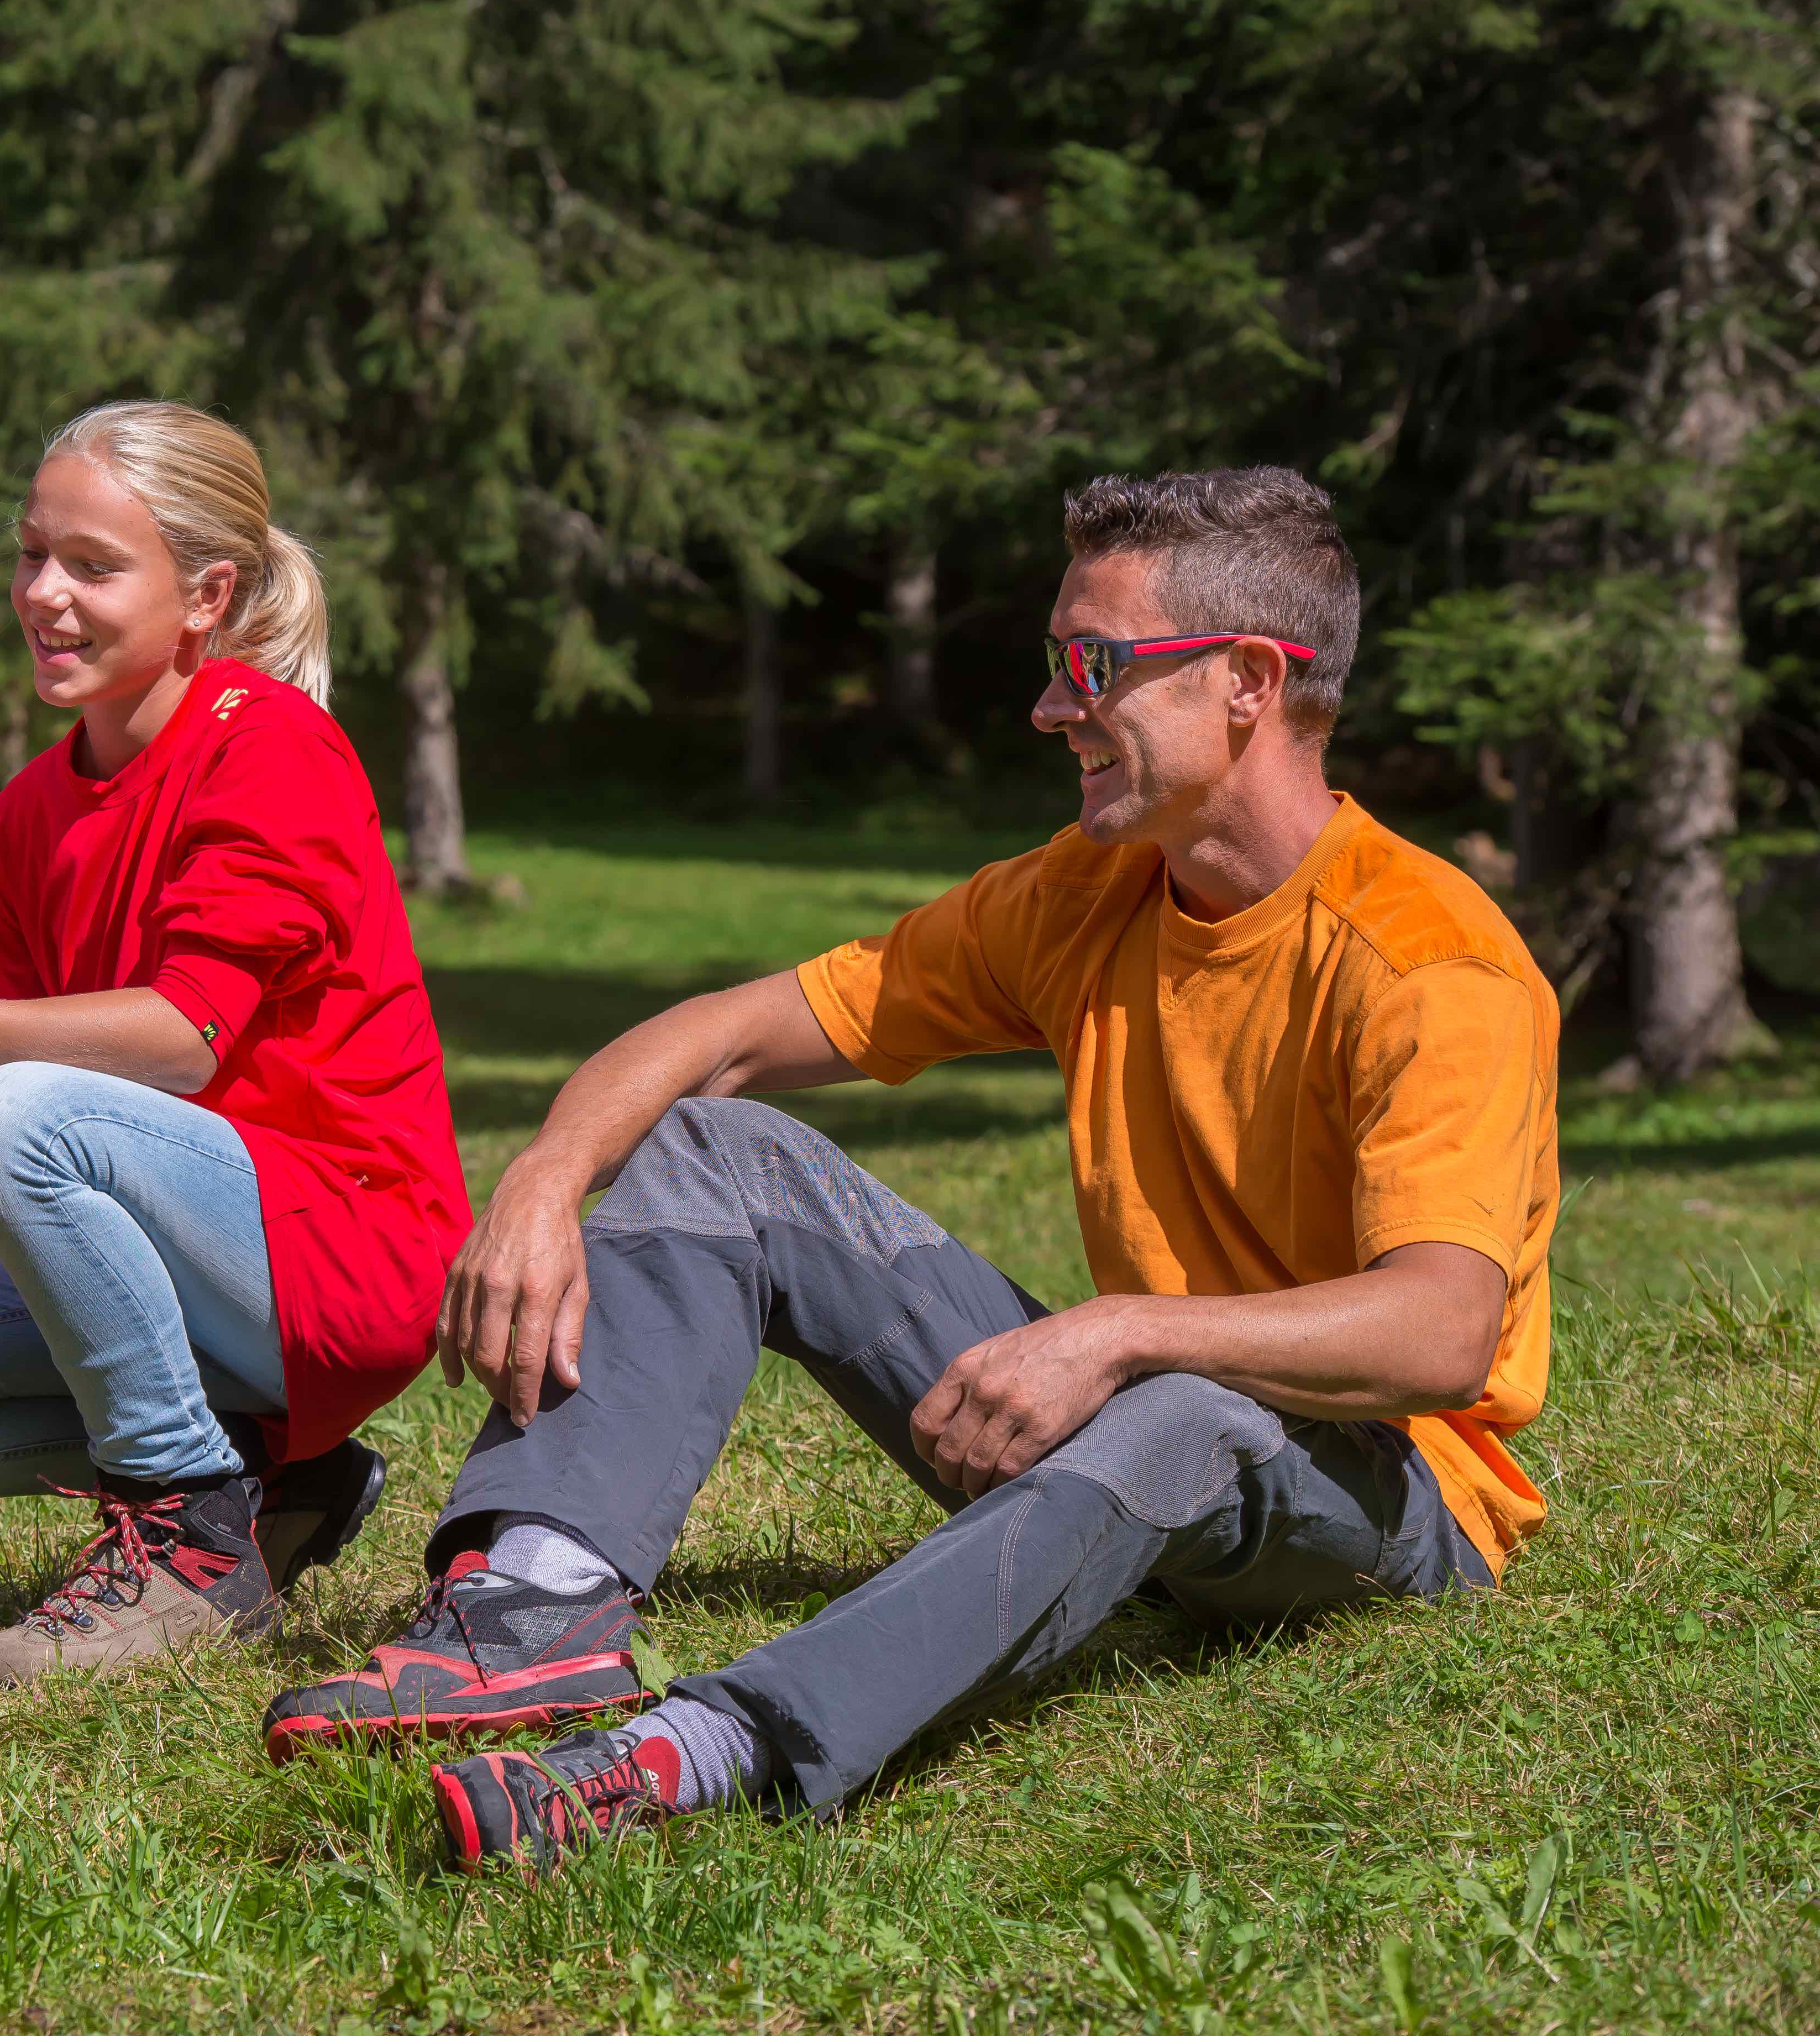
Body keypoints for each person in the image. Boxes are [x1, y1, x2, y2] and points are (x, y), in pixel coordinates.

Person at [265, 468, 1556, 1872]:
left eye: (1091, 666)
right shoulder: (1090, 891)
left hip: (1389, 1501)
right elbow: (726, 1036)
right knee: (718, 1148)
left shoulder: (1428, 961)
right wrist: (539, 1178)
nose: (1050, 707)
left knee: (1179, 1409)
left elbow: (1440, 1331)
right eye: (1052, 665)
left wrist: (1114, 1335)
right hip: (1157, 1413)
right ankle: (533, 1609)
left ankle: (703, 1750)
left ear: (1247, 680)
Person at [0, 400, 470, 1681]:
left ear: (206, 594)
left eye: (91, 565)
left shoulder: (275, 753)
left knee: (30, 1106)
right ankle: (269, 1479)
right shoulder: (23, 824)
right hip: (182, 1253)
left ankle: (183, 1541)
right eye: (32, 555)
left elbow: (176, 1046)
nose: (43, 594)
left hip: (342, 1266)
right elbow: (38, 1135)